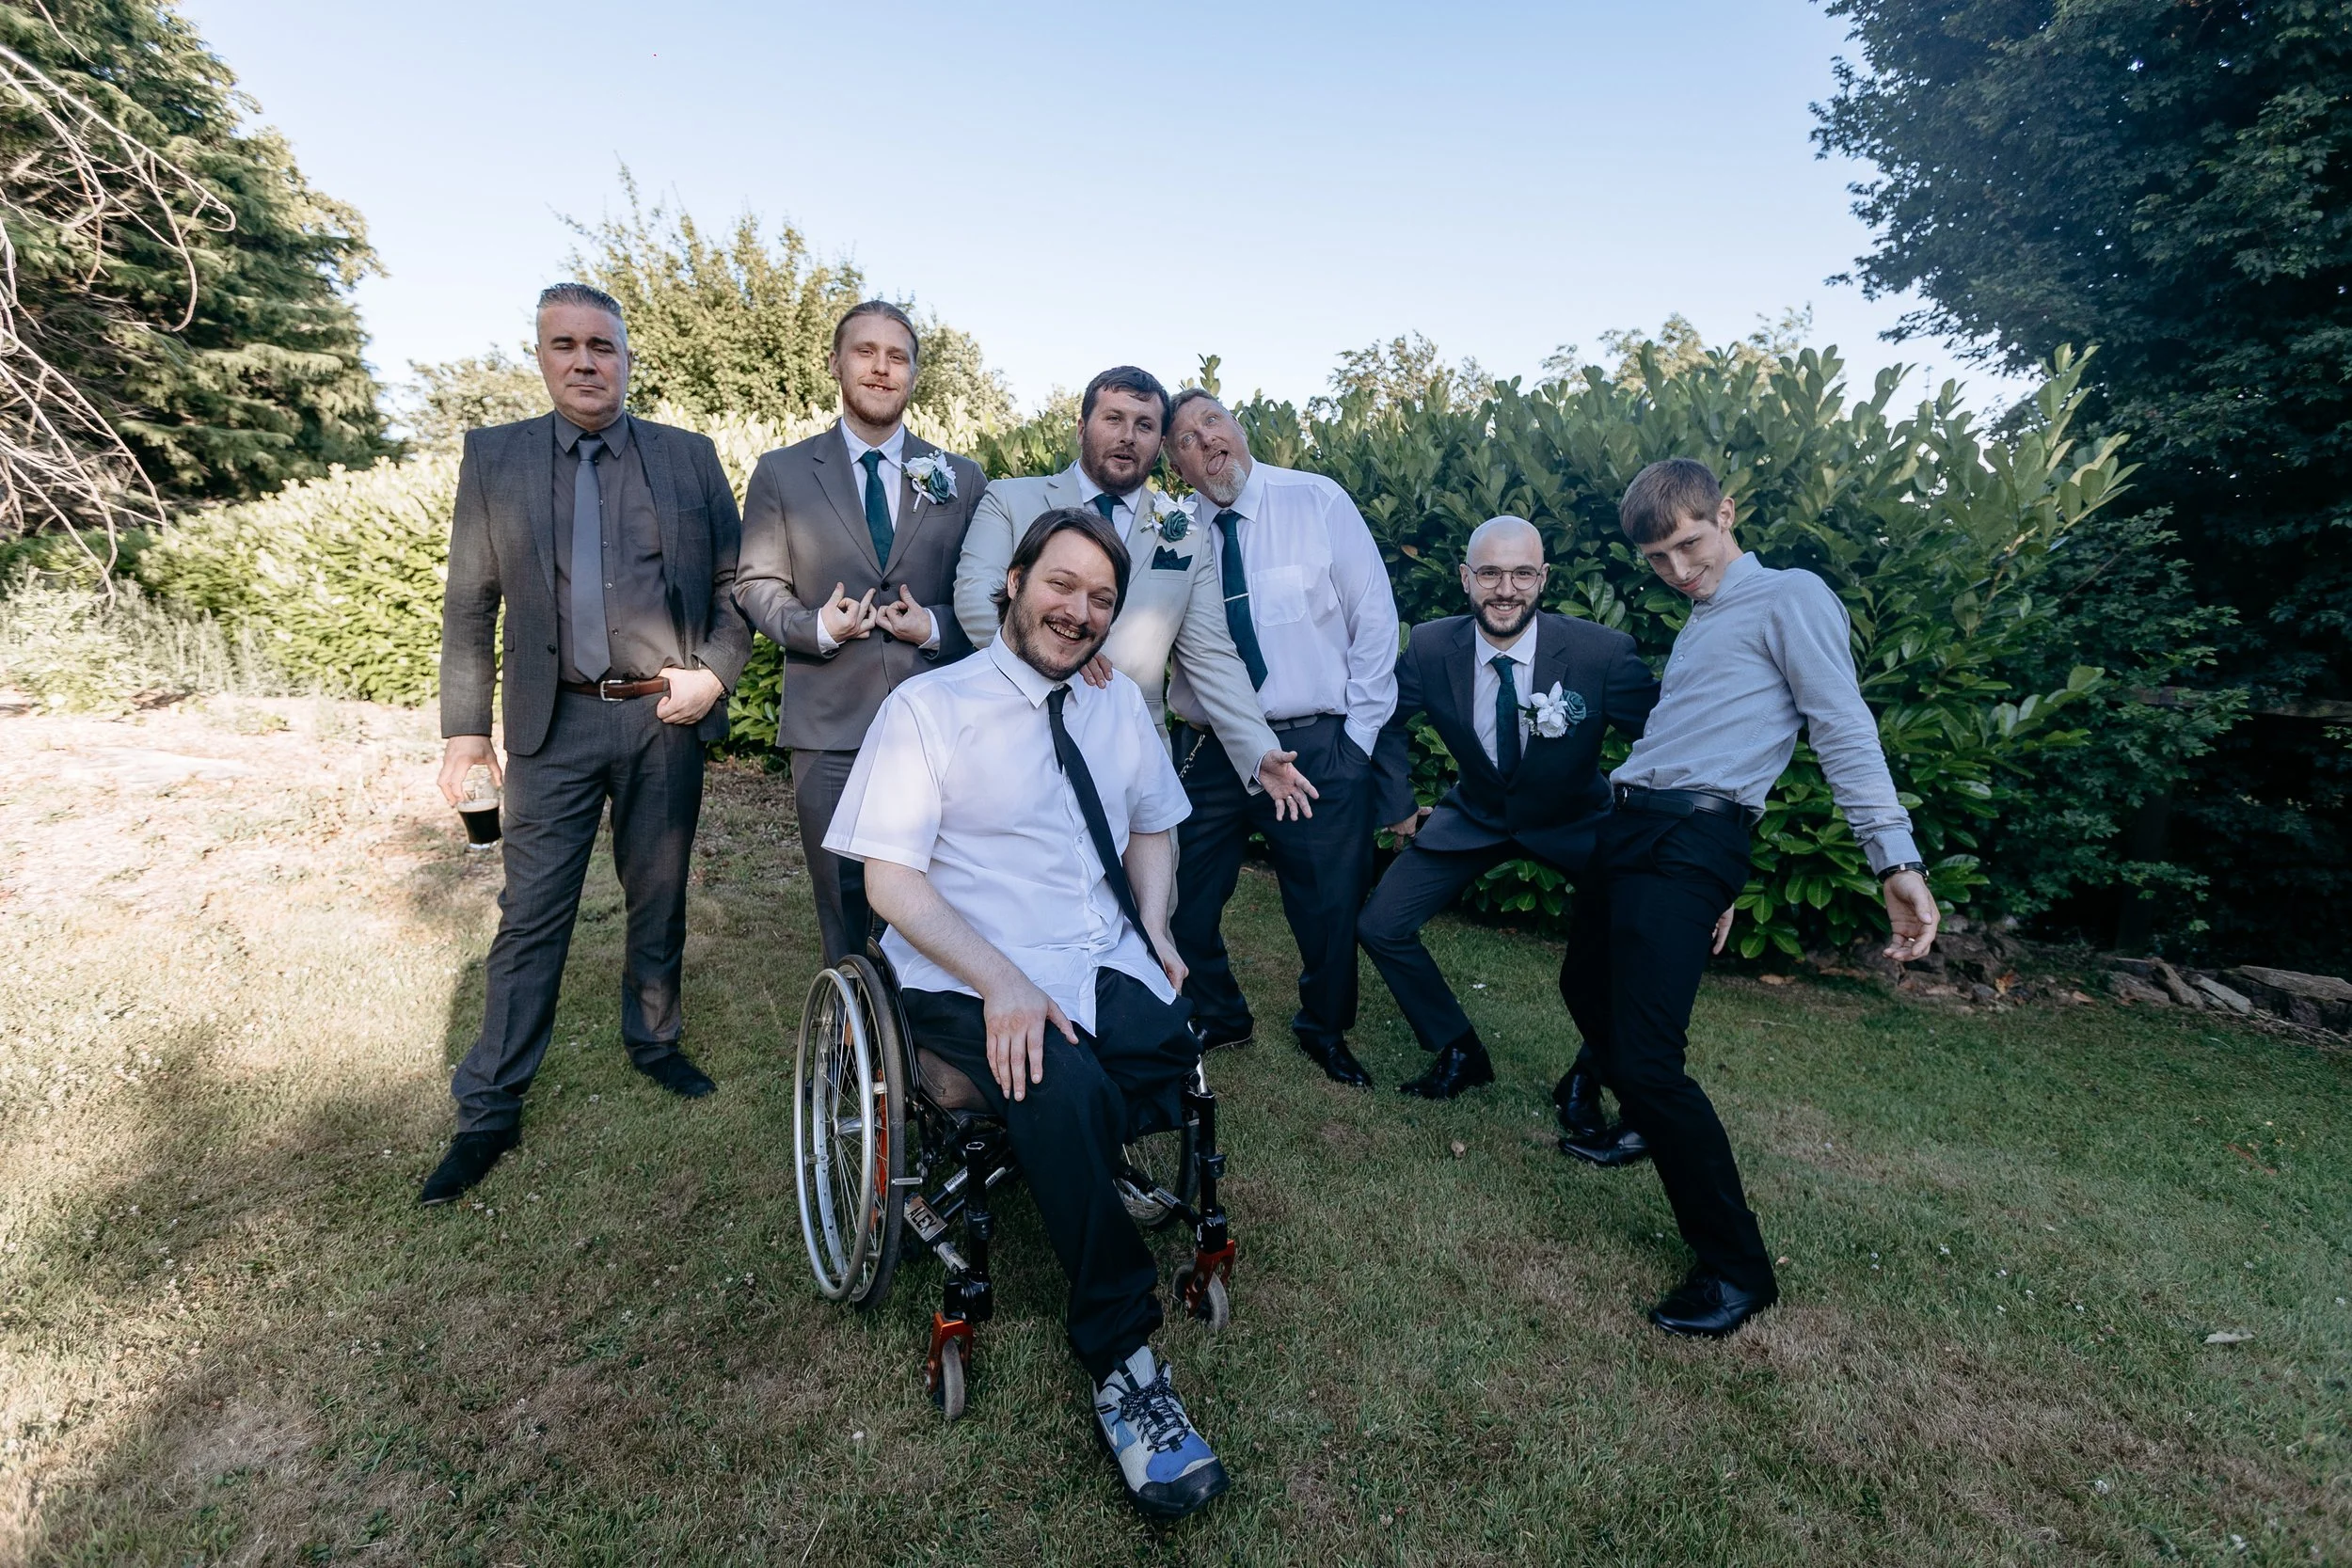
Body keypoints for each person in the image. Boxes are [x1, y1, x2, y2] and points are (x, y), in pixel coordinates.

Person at [829, 507, 1229, 1521]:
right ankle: (1122, 1354)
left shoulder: (1113, 701)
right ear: (1012, 582)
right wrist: (1002, 978)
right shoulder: (929, 709)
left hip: (1091, 954)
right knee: (1057, 1083)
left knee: (1172, 1042)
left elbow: (1151, 825)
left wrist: (1154, 923)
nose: (1079, 610)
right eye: (1061, 584)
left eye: (1100, 597)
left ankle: (1083, 1163)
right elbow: (889, 881)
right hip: (964, 969)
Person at [1565, 458, 1940, 1338]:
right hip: (1634, 829)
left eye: (1690, 545)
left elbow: (1841, 724)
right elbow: (1700, 732)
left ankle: (1737, 1268)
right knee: (1585, 993)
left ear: (1725, 512)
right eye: (1657, 559)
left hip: (1689, 838)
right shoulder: (1700, 620)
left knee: (1651, 1061)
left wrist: (1894, 856)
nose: (1679, 571)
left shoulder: (1791, 595)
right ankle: (1638, 1124)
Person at [423, 282, 752, 1205]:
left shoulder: (688, 459)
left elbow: (736, 588)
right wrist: (462, 731)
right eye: (563, 344)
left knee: (658, 894)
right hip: (551, 721)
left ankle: (653, 1041)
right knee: (532, 914)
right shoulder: (496, 458)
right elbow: (467, 605)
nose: (583, 360)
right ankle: (489, 1104)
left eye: (600, 345)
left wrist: (715, 675)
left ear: (626, 356)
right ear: (540, 357)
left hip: (663, 716)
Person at [1363, 516, 1659, 1101]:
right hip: (1474, 814)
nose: (1506, 589)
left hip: (1577, 821)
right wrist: (1397, 802)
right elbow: (1387, 721)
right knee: (1380, 925)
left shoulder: (1601, 654)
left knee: (1635, 939)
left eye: (1522, 573)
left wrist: (1645, 822)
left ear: (1543, 577)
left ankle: (1588, 1074)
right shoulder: (1428, 645)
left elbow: (1666, 739)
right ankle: (1459, 1048)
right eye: (1491, 573)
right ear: (1466, 578)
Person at [733, 301, 986, 965]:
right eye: (865, 352)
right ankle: (849, 1034)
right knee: (844, 893)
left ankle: (927, 1039)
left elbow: (990, 599)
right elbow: (755, 583)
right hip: (829, 720)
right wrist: (815, 625)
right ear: (836, 364)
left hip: (938, 721)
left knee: (941, 889)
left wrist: (934, 625)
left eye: (897, 356)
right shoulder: (782, 472)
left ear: (914, 374)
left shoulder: (961, 477)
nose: (881, 368)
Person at [951, 366, 1316, 823]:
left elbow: (1210, 655)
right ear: (1083, 427)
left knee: (1151, 893)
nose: (1128, 436)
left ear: (1159, 444)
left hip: (1135, 752)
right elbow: (975, 597)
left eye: (1144, 426)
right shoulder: (1009, 500)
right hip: (1017, 732)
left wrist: (1260, 751)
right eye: (1113, 419)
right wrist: (1065, 658)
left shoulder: (1186, 537)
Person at [1161, 390, 1399, 1086]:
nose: (1204, 440)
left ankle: (1323, 1027)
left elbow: (1376, 622)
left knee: (1327, 904)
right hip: (1211, 749)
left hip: (1316, 744)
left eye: (1212, 422)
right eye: (1183, 438)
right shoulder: (1173, 531)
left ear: (1238, 428)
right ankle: (1219, 1011)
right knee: (1179, 893)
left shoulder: (1317, 501)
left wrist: (1356, 743)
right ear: (1175, 465)